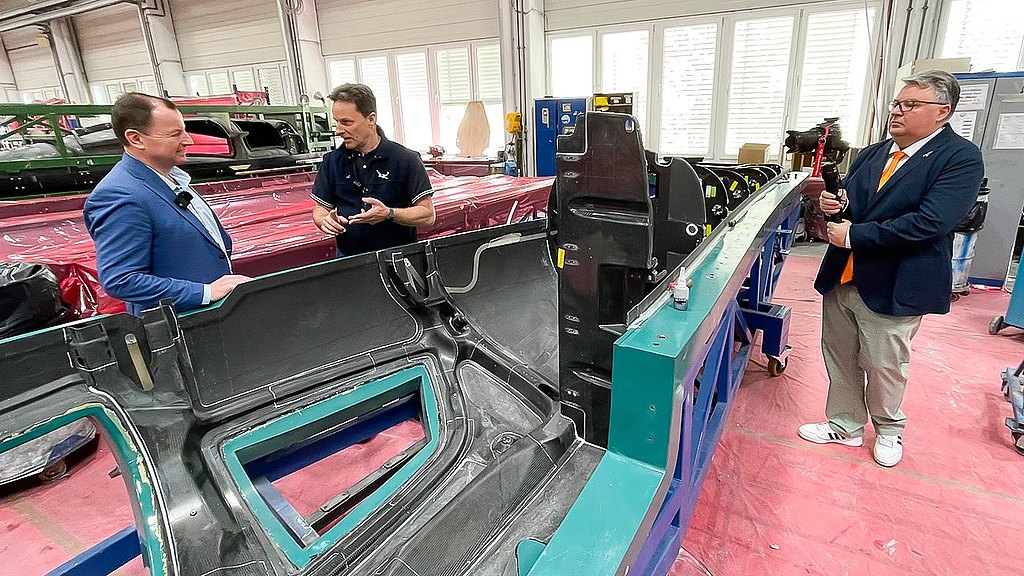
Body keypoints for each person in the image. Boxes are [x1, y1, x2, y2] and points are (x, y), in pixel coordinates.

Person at [798, 70, 984, 467]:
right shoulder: (874, 152)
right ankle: (845, 425)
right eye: (896, 104)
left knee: (884, 362)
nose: (897, 112)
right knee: (840, 353)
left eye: (910, 105)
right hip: (844, 275)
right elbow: (858, 203)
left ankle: (888, 428)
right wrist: (839, 205)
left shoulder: (960, 159)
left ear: (942, 112)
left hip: (897, 278)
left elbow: (932, 222)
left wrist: (855, 236)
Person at [83, 93, 250, 316]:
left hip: (212, 318)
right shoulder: (119, 195)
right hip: (180, 327)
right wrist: (204, 292)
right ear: (136, 138)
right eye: (175, 134)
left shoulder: (171, 180)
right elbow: (121, 280)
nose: (188, 140)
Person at [311, 83, 435, 256]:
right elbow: (319, 208)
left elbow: (428, 215)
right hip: (349, 263)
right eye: (337, 122)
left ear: (371, 119)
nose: (339, 130)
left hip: (398, 261)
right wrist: (324, 220)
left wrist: (389, 214)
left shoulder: (406, 160)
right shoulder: (332, 162)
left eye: (347, 122)